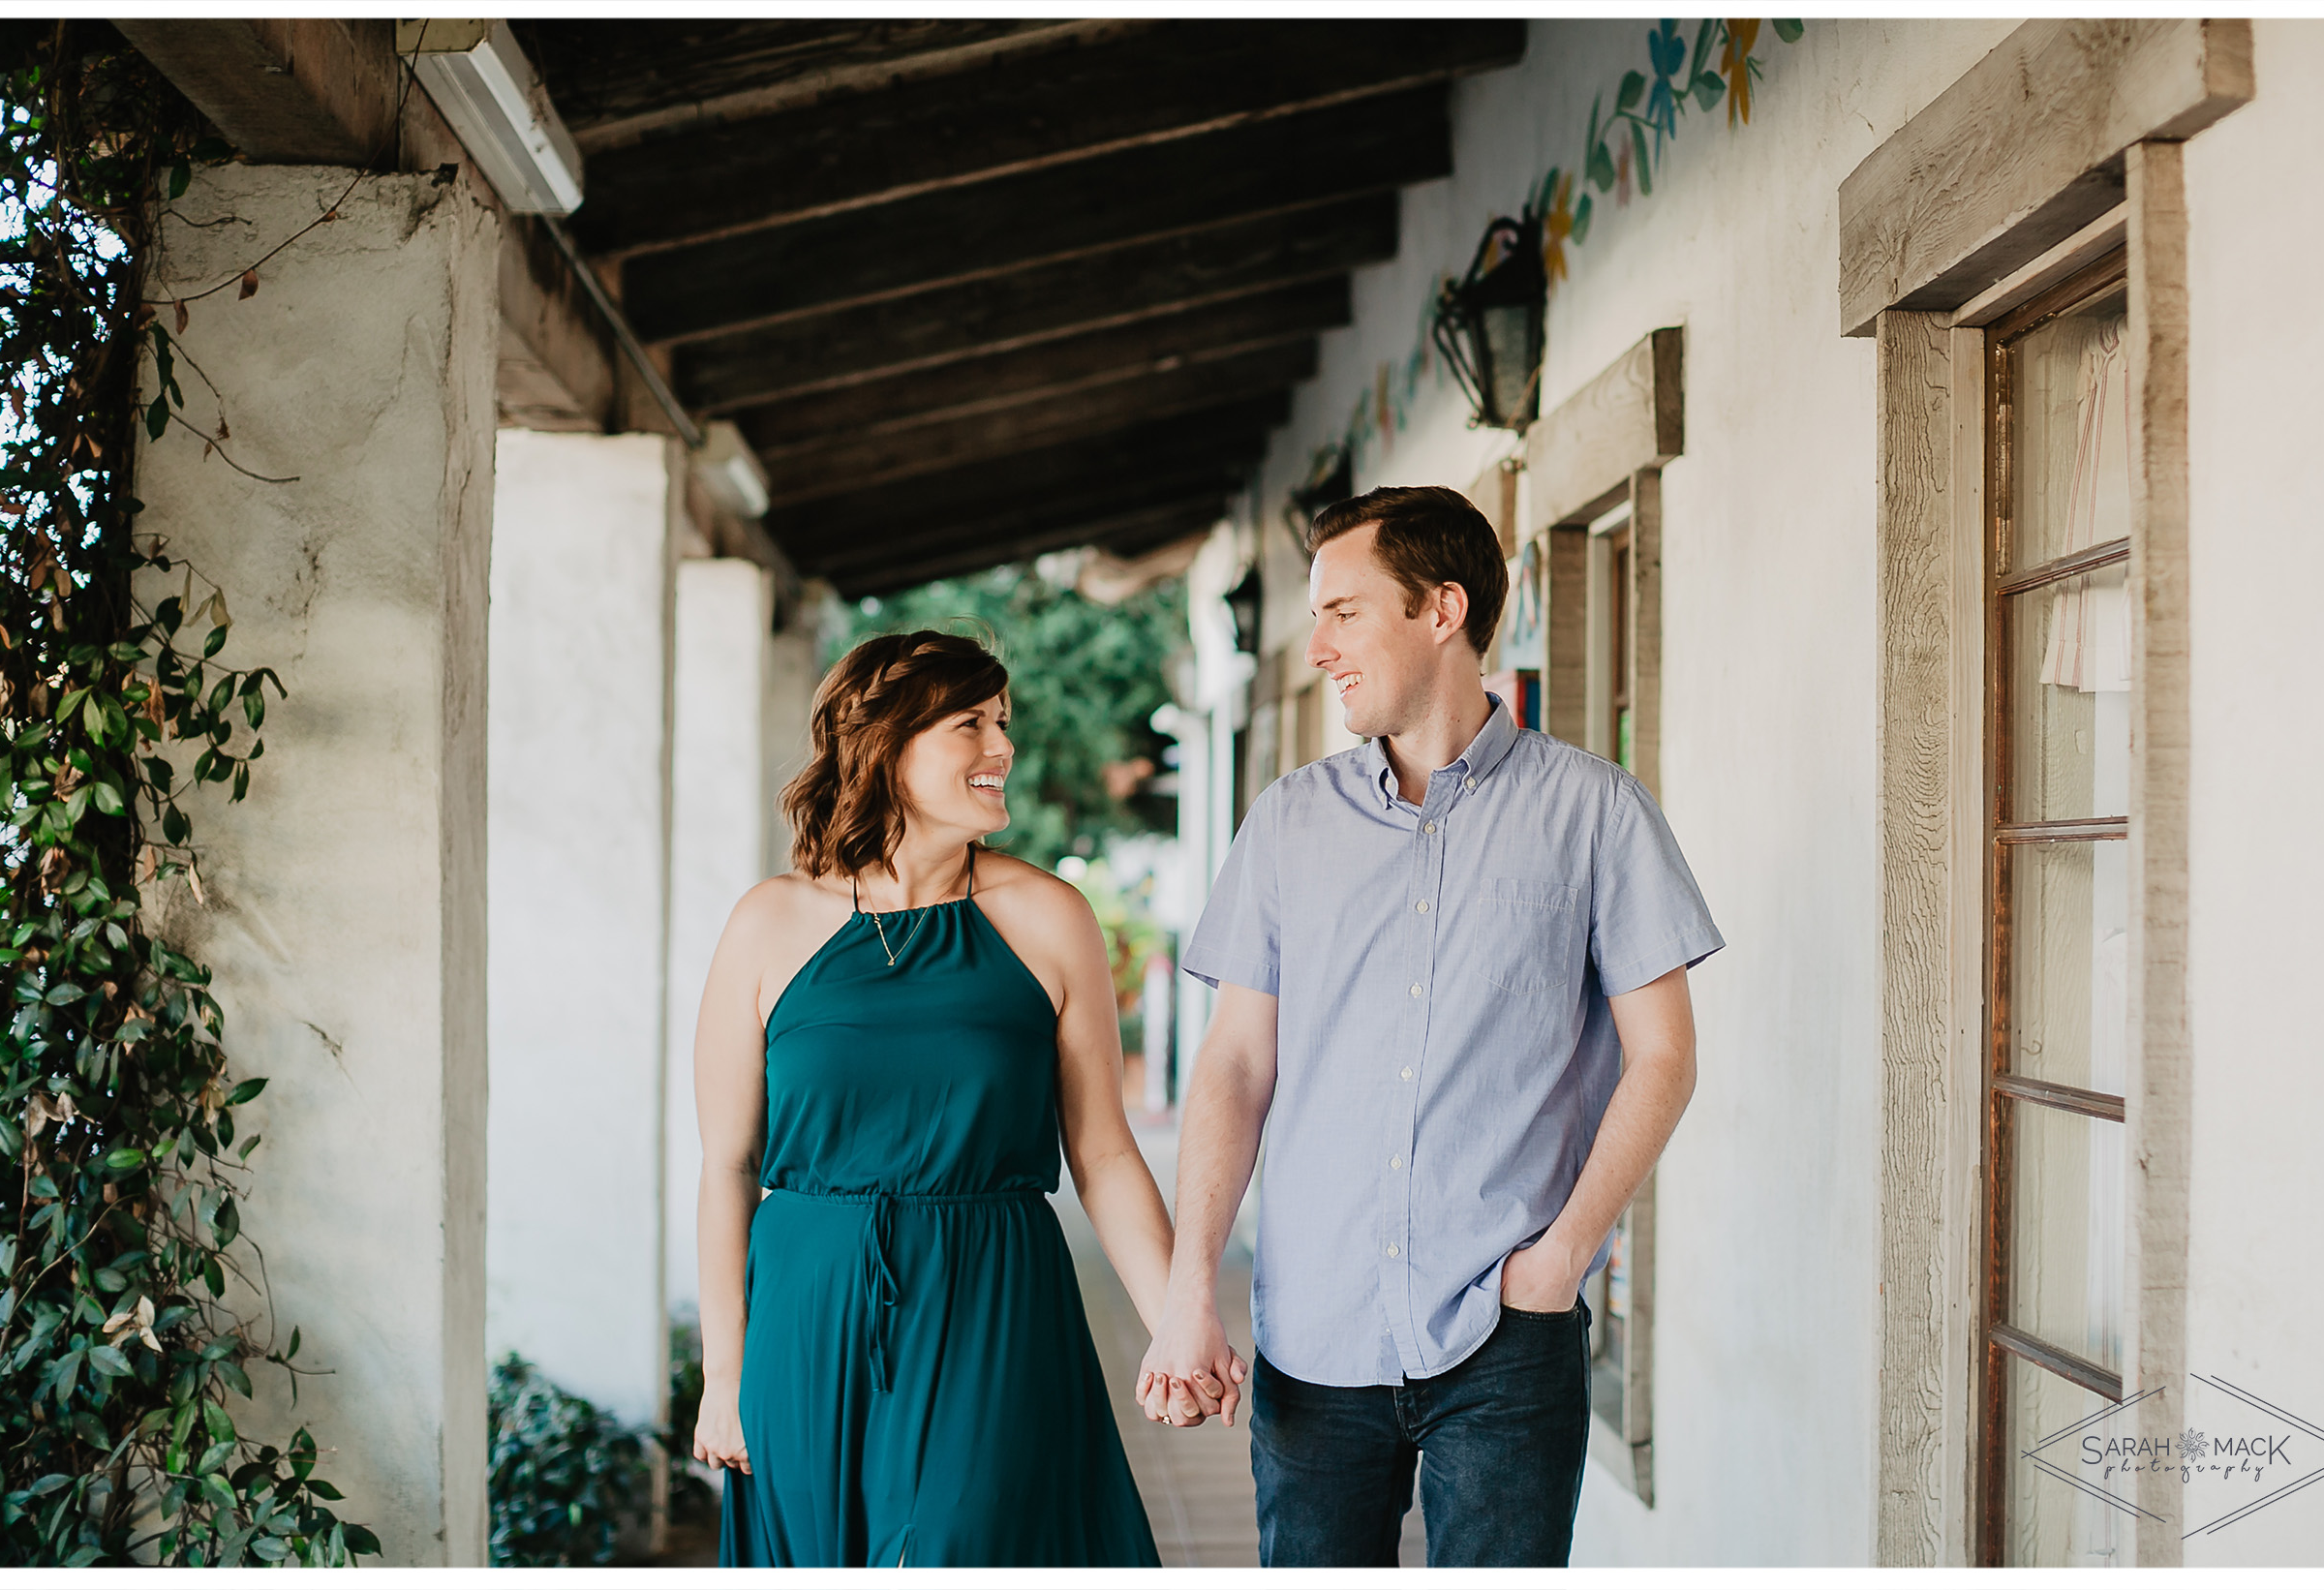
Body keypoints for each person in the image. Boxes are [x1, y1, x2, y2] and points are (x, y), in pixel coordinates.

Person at [1139, 485, 1724, 1567]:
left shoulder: (1596, 811)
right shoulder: (1287, 824)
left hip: (1508, 1332)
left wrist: (1561, 1261)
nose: (1316, 646)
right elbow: (1231, 1065)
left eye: (1343, 611)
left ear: (1441, 609)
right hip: (1314, 1332)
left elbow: (1665, 1056)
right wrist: (1188, 1294)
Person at [690, 629, 1210, 1567]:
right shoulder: (768, 923)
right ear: (882, 744)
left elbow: (1102, 1152)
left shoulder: (1049, 918)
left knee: (968, 1541)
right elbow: (728, 1165)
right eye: (970, 723)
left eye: (1003, 721)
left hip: (990, 1291)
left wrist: (1180, 1318)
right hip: (807, 1302)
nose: (1002, 747)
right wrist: (722, 1374)